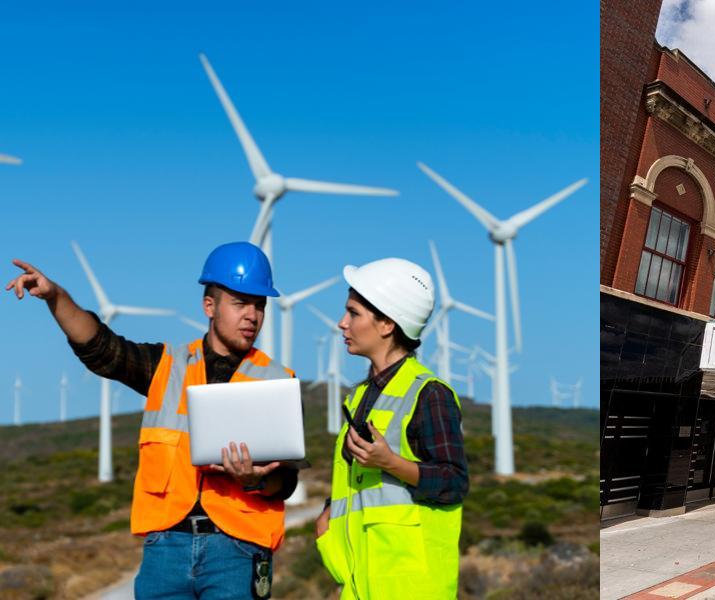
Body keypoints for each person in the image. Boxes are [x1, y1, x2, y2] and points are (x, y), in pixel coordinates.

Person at [6, 242, 299, 599]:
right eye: (240, 303)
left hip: (237, 553)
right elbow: (101, 348)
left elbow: (286, 481)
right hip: (166, 550)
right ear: (209, 305)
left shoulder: (277, 379)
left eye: (259, 305)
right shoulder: (166, 364)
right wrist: (57, 298)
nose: (252, 315)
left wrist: (254, 481)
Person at [315, 257, 468, 599]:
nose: (342, 323)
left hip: (409, 587)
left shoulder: (428, 394)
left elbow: (454, 482)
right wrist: (325, 517)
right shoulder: (359, 398)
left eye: (353, 313)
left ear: (386, 323)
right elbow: (355, 486)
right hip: (357, 583)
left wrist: (390, 462)